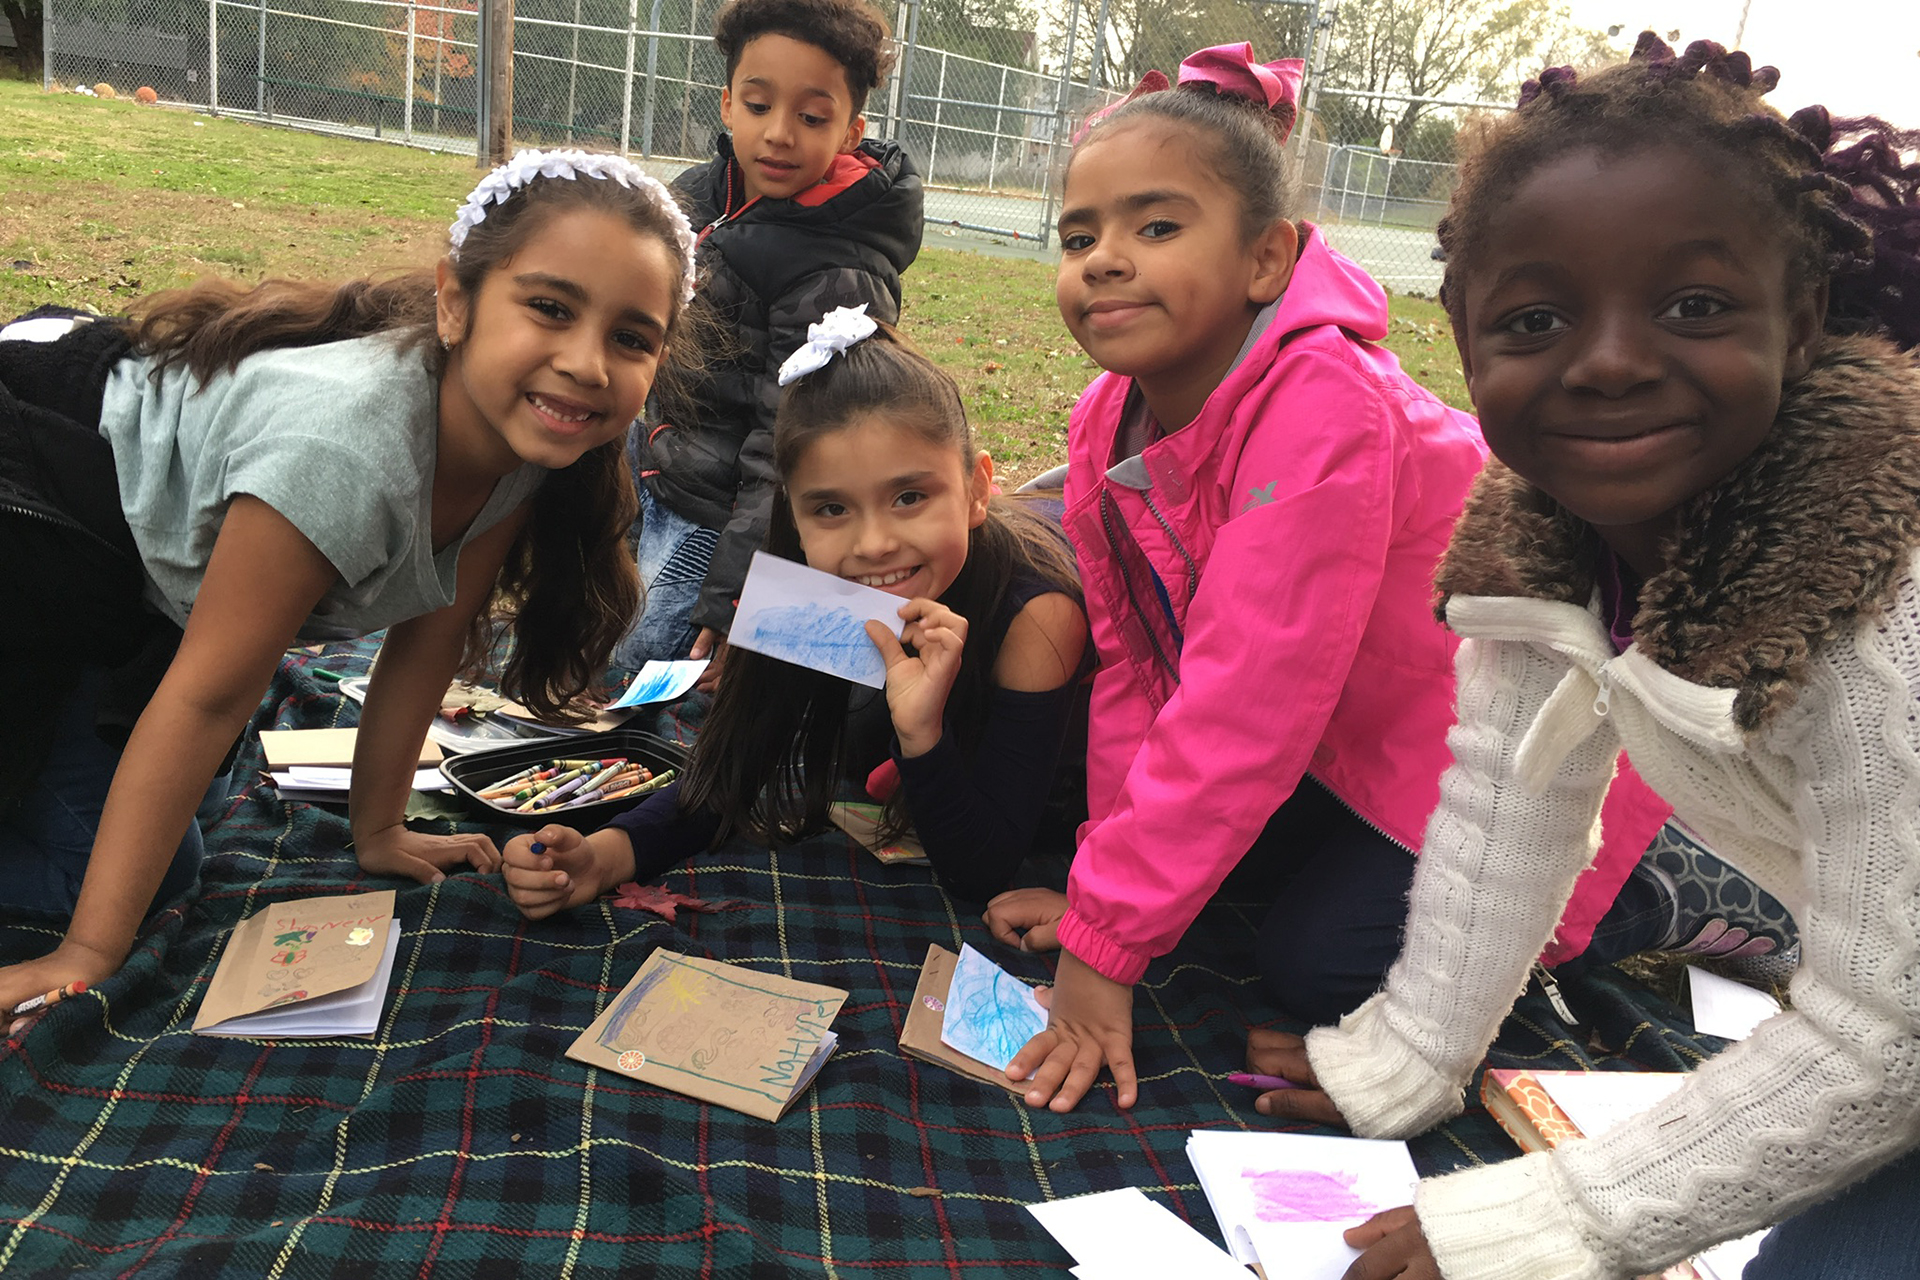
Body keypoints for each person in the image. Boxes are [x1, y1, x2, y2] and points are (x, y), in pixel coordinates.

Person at [1247, 36, 1920, 1280]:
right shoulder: (1539, 530)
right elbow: (1508, 797)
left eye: (1695, 306)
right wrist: (1410, 1053)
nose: (1609, 360)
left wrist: (1556, 1220)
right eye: (1539, 318)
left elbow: (1895, 1028)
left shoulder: (1883, 609)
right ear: (1462, 334)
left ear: (1806, 315)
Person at [0, 148, 700, 1019]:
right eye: (550, 308)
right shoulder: (344, 456)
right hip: (36, 524)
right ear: (456, 302)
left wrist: (379, 828)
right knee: (130, 873)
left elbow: (432, 633)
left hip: (127, 590)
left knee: (195, 796)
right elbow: (209, 699)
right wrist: (91, 951)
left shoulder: (520, 441)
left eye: (631, 337)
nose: (589, 363)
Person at [979, 40, 1538, 1114]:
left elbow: (1244, 702)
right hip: (1352, 729)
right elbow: (1139, 667)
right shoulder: (1108, 419)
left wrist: (1100, 960)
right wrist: (1101, 892)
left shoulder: (1326, 404)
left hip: (1500, 743)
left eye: (1155, 226)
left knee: (1319, 968)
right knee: (1202, 884)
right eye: (1078, 234)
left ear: (1267, 260)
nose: (1102, 258)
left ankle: (1644, 892)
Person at [504, 313, 1087, 914]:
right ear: (796, 518)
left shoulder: (1040, 618)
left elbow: (983, 870)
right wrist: (604, 854)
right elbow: (737, 761)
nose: (874, 544)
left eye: (909, 497)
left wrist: (922, 737)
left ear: (976, 491)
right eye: (832, 509)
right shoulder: (809, 581)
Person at [619, 0, 924, 681]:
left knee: (640, 670)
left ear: (851, 132)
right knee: (572, 627)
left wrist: (739, 596)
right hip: (654, 469)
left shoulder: (838, 272)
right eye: (759, 105)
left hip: (726, 518)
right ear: (728, 105)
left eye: (813, 118)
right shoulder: (696, 198)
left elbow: (793, 451)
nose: (779, 134)